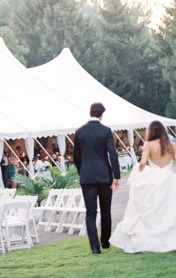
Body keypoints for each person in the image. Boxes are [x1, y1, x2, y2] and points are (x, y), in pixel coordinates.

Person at [109, 121, 176, 253]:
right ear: (163, 130)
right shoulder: (172, 145)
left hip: (154, 181)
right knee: (171, 211)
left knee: (151, 210)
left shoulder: (148, 145)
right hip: (169, 180)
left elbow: (143, 163)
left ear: (151, 131)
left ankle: (149, 241)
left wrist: (138, 171)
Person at [73, 102, 120, 255]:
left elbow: (76, 157)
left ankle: (95, 247)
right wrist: (117, 176)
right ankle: (105, 241)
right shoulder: (105, 131)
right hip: (104, 176)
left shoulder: (79, 132)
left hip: (87, 178)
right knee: (106, 210)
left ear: (90, 112)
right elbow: (112, 154)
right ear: (102, 115)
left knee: (90, 212)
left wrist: (83, 172)